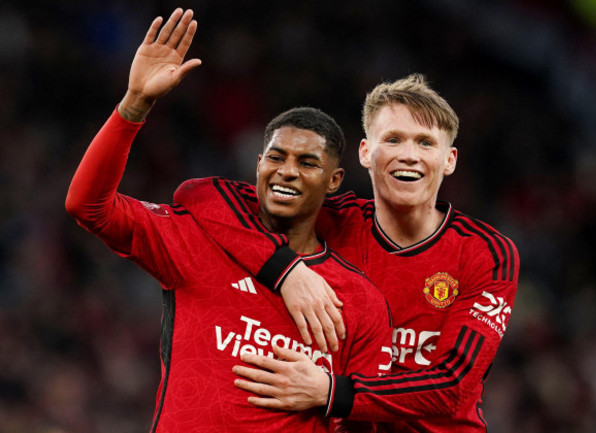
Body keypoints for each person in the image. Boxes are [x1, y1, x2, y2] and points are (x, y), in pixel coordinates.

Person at [65, 8, 392, 432]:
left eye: (307, 162)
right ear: (258, 165)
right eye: (276, 157)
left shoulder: (360, 301)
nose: (287, 171)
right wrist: (135, 104)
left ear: (334, 180)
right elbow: (87, 206)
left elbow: (370, 417)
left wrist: (329, 393)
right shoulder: (198, 241)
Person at [181, 74, 520, 431]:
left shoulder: (485, 252)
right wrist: (286, 271)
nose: (409, 155)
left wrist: (331, 392)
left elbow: (451, 386)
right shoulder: (332, 220)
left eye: (425, 143)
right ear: (365, 153)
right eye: (392, 140)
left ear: (449, 160)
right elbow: (199, 195)